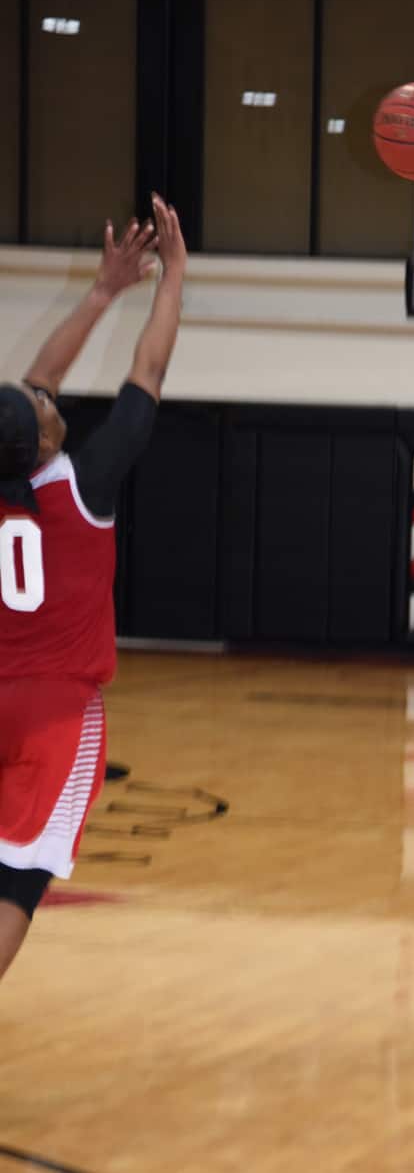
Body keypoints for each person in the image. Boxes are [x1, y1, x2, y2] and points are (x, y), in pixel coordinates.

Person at [0, 194, 186, 979]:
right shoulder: (84, 487)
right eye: (44, 403)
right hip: (56, 715)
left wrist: (105, 291)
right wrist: (174, 276)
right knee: (18, 881)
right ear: (41, 438)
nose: (49, 391)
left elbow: (30, 386)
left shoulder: (17, 466)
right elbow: (148, 369)